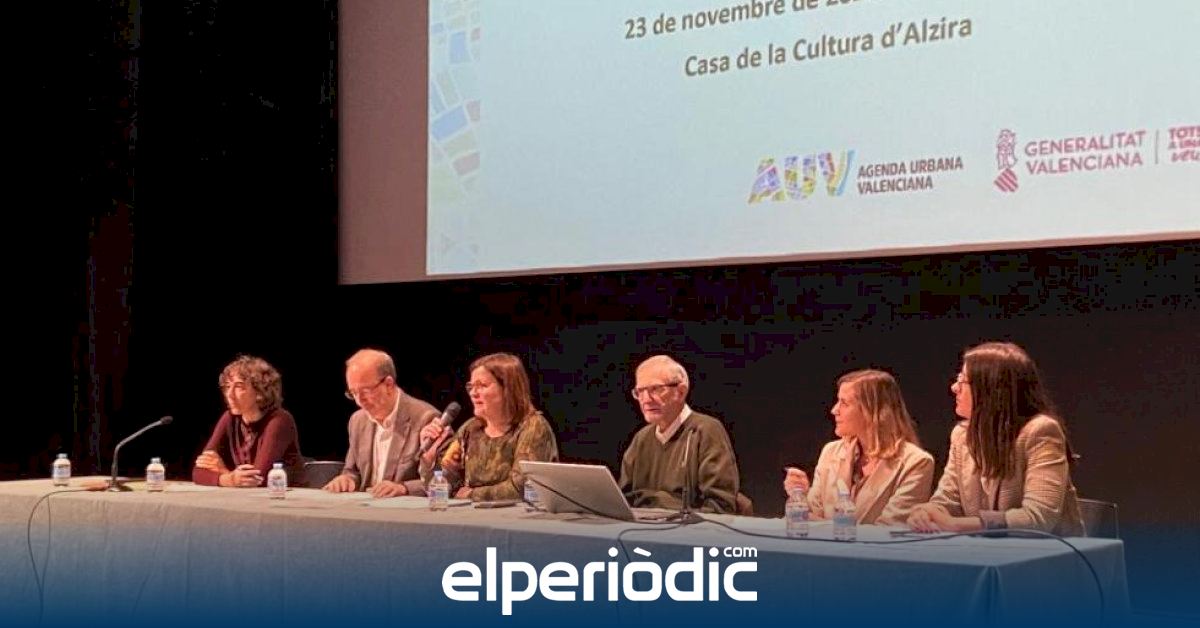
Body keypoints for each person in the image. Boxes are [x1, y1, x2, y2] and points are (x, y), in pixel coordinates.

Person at [908, 342, 1084, 535]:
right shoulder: (962, 435)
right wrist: (927, 513)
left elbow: (1038, 518)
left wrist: (956, 525)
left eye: (963, 381)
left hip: (1050, 551)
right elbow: (947, 499)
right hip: (989, 549)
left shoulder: (1040, 431)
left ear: (991, 390)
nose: (954, 388)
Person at [782, 369, 933, 525]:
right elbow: (810, 520)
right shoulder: (831, 452)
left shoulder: (916, 463)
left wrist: (827, 525)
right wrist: (800, 496)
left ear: (871, 411)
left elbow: (887, 530)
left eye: (844, 403)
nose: (834, 410)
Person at [419, 353, 558, 501]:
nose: (473, 393)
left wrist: (471, 494)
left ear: (508, 389)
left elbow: (522, 487)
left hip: (520, 515)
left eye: (482, 386)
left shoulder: (533, 427)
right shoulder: (470, 429)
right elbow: (441, 489)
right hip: (473, 514)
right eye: (471, 386)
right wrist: (429, 459)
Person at [618, 355, 740, 513]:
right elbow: (622, 501)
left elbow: (720, 506)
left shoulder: (706, 431)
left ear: (681, 391)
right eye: (640, 391)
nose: (646, 399)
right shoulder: (641, 438)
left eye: (656, 389)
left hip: (691, 528)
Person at [323, 349, 441, 497]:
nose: (359, 401)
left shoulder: (425, 418)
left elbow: (444, 478)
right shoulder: (357, 420)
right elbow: (352, 471)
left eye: (365, 391)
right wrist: (346, 479)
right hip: (366, 505)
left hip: (402, 508)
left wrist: (404, 488)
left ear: (389, 385)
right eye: (353, 393)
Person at [193, 355, 306, 487]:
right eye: (227, 386)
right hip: (249, 496)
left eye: (239, 386)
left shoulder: (280, 420)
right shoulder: (229, 418)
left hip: (288, 496)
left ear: (260, 391)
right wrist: (228, 479)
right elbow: (198, 471)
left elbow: (258, 477)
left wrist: (224, 473)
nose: (229, 394)